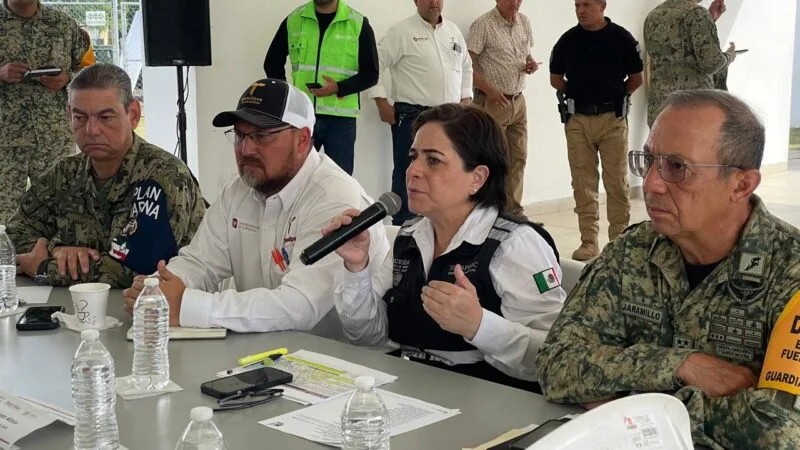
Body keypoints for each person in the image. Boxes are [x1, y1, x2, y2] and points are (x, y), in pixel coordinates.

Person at [536, 90, 800, 448]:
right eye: (648, 161)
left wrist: (626, 405)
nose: (651, 184)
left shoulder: (791, 272)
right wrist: (680, 364)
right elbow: (557, 364)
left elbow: (781, 431)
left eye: (677, 167)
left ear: (741, 184)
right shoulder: (632, 252)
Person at [324, 104, 565, 392]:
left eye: (434, 161)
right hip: (411, 391)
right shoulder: (410, 235)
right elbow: (366, 337)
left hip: (486, 401)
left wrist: (479, 326)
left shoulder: (515, 245)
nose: (412, 171)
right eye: (413, 157)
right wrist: (357, 269)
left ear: (477, 178)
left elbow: (556, 358)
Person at [122, 79, 388, 338]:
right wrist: (157, 290)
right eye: (239, 135)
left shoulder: (335, 198)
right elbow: (200, 263)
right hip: (266, 356)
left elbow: (298, 307)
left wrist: (185, 306)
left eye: (261, 136)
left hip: (340, 366)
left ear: (302, 140)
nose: (246, 149)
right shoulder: (239, 190)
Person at [10, 64, 206, 288]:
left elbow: (142, 268)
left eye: (105, 117)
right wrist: (57, 250)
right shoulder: (65, 173)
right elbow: (14, 234)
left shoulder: (164, 175)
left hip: (153, 310)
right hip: (78, 308)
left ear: (132, 115)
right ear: (69, 115)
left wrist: (44, 267)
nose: (91, 130)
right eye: (80, 118)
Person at [549, 0, 643, 261]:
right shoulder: (568, 41)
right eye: (577, 5)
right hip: (578, 120)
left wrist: (612, 96)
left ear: (602, 6)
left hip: (612, 120)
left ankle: (618, 242)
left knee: (616, 183)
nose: (581, 10)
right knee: (583, 183)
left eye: (586, 5)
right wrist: (582, 96)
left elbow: (636, 79)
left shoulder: (621, 38)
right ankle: (588, 241)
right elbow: (556, 79)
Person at [369, 0, 473, 225]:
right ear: (416, 1)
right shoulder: (401, 32)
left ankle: (441, 223)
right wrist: (381, 102)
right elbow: (374, 63)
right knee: (410, 173)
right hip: (412, 116)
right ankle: (403, 228)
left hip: (450, 117)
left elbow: (466, 66)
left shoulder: (453, 32)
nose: (434, 2)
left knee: (448, 169)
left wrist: (466, 98)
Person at [264, 0, 379, 175]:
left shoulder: (357, 23)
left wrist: (339, 88)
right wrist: (288, 98)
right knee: (295, 178)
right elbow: (272, 63)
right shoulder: (295, 19)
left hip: (341, 120)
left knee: (340, 182)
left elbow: (371, 74)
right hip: (303, 117)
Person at [0, 0, 88, 223]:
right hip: (5, 143)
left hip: (53, 140)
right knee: (4, 219)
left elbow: (89, 70)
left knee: (60, 211)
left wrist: (68, 78)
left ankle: (53, 258)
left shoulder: (63, 24)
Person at [468, 0, 537, 217]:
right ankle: (488, 212)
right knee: (491, 159)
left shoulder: (524, 21)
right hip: (492, 103)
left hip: (518, 101)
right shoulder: (483, 24)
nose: (515, 3)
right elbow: (466, 65)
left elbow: (526, 54)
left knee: (518, 158)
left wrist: (530, 63)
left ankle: (513, 211)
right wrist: (489, 90)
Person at [644, 0, 735, 127]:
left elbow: (676, 48)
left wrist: (710, 20)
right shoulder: (697, 14)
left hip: (660, 110)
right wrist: (730, 55)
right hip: (691, 108)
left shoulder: (653, 15)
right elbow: (712, 63)